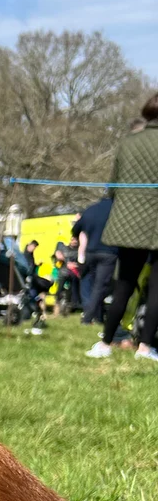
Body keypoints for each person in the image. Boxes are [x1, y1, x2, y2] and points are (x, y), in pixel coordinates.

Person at [86, 95, 158, 361]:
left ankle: (105, 342)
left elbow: (113, 187)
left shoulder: (128, 142)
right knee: (156, 291)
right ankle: (146, 347)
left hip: (129, 224)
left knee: (124, 286)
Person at [73, 195, 117, 324]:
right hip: (109, 251)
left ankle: (93, 313)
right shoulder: (116, 211)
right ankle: (88, 317)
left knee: (89, 282)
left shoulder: (90, 210)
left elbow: (76, 228)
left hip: (90, 251)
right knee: (101, 286)